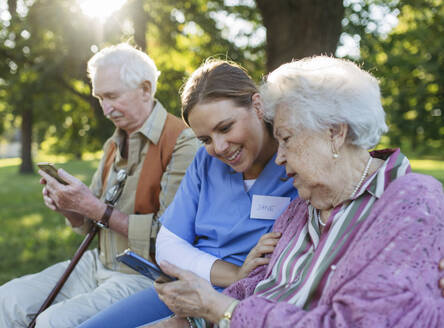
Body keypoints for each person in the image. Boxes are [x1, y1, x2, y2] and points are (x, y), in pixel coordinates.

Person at [152, 56, 444, 327]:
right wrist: (197, 314)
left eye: (286, 139)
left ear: (334, 132)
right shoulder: (301, 209)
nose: (278, 159)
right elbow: (250, 286)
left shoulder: (411, 203)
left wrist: (220, 309)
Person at [0, 43, 200, 328]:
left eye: (112, 96)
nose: (105, 108)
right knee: (10, 297)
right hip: (98, 262)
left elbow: (170, 236)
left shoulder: (182, 141)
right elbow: (91, 224)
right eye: (100, 97)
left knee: (54, 321)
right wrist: (70, 207)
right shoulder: (113, 144)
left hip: (145, 275)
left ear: (146, 89)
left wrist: (95, 208)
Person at [77, 60, 298, 327]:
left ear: (258, 105)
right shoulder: (207, 163)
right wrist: (235, 273)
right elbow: (168, 248)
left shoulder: (296, 163)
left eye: (226, 127)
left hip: (247, 298)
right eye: (205, 139)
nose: (219, 147)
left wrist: (237, 279)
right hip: (186, 286)